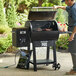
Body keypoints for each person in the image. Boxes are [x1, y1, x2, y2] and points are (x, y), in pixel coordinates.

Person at [54, 0, 76, 75]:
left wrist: (73, 34)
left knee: (74, 51)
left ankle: (75, 70)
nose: (65, 2)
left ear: (69, 0)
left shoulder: (74, 9)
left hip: (74, 31)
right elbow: (66, 8)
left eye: (65, 1)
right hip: (72, 30)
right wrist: (58, 7)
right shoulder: (72, 6)